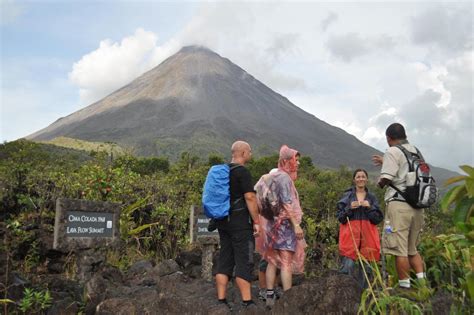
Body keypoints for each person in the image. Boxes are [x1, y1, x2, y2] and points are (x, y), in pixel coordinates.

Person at [372, 123, 427, 291]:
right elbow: (409, 170)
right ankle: (423, 286)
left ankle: (405, 288)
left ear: (389, 138)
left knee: (399, 249)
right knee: (412, 249)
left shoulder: (392, 151)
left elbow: (387, 178)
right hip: (417, 206)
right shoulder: (415, 151)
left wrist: (379, 182)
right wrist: (386, 162)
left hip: (399, 205)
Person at [256, 145, 306, 308]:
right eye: (295, 160)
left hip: (271, 225)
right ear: (286, 161)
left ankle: (270, 295)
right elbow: (286, 203)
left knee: (272, 261)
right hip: (284, 226)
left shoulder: (272, 177)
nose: (297, 164)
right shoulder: (284, 178)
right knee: (285, 262)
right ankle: (288, 299)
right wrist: (296, 225)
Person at [214, 140, 260, 311]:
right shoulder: (242, 172)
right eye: (249, 151)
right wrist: (256, 221)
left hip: (223, 222)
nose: (251, 154)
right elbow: (250, 197)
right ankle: (247, 302)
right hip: (240, 224)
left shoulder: (222, 171)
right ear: (242, 153)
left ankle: (221, 300)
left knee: (225, 258)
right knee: (244, 260)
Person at [336, 168, 383, 288]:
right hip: (350, 236)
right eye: (358, 177)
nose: (361, 179)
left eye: (363, 176)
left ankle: (364, 296)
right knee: (348, 266)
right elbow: (340, 218)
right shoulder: (347, 197)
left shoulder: (372, 197)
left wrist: (370, 207)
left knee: (367, 269)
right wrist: (349, 208)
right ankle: (344, 294)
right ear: (354, 179)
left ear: (366, 179)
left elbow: (377, 219)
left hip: (368, 238)